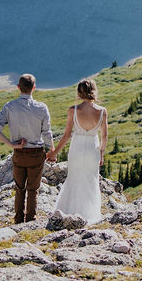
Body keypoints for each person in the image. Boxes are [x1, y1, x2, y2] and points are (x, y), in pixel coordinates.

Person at [0, 73, 53, 224]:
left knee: (19, 188)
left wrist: (12, 145)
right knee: (33, 189)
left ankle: (18, 219)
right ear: (34, 88)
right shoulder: (42, 108)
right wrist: (51, 150)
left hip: (19, 153)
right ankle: (31, 219)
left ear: (18, 87)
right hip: (36, 154)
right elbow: (47, 133)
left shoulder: (9, 107)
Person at [47, 78, 107, 224]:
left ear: (79, 93)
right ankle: (91, 214)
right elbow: (104, 136)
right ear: (94, 91)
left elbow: (67, 135)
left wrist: (54, 153)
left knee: (74, 178)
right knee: (91, 180)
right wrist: (101, 153)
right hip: (93, 147)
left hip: (77, 148)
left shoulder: (73, 110)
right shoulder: (102, 111)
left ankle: (70, 212)